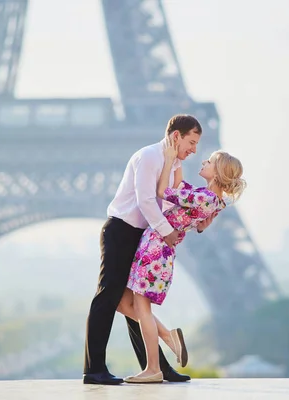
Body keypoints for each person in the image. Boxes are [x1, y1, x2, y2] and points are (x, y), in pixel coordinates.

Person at [83, 115, 213, 385]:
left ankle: (157, 368)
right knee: (109, 297)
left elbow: (175, 201)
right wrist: (167, 232)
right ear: (176, 136)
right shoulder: (149, 157)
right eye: (191, 142)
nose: (194, 150)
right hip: (121, 231)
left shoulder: (173, 163)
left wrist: (198, 223)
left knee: (135, 303)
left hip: (143, 234)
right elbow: (145, 200)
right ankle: (94, 369)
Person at [118, 143, 247, 383]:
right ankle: (168, 337)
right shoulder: (212, 200)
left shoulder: (203, 198)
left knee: (140, 307)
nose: (203, 163)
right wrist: (176, 160)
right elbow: (179, 189)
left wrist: (168, 161)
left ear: (218, 172)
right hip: (159, 250)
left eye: (208, 162)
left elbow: (163, 191)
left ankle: (153, 368)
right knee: (123, 303)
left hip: (155, 248)